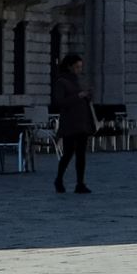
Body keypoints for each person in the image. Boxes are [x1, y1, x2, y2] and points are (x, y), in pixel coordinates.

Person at [49, 51, 93, 195]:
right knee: (68, 153)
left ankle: (80, 183)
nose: (79, 70)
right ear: (69, 66)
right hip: (69, 123)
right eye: (77, 67)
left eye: (80, 67)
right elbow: (59, 102)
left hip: (82, 122)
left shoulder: (78, 81)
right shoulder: (61, 82)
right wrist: (78, 96)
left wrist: (87, 96)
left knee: (81, 154)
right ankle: (59, 179)